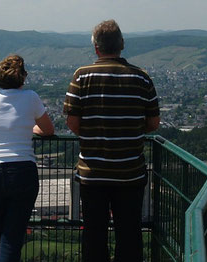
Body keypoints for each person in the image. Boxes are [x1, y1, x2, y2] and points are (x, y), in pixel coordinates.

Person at [64, 20, 160, 262]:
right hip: (130, 172)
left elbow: (73, 124)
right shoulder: (142, 78)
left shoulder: (81, 76)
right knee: (129, 234)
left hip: (92, 173)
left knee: (94, 235)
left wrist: (94, 132)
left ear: (96, 48)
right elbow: (153, 124)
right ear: (122, 45)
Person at [0, 54, 55, 262]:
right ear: (22, 78)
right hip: (22, 170)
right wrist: (31, 128)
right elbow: (48, 129)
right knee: (12, 237)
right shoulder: (31, 97)